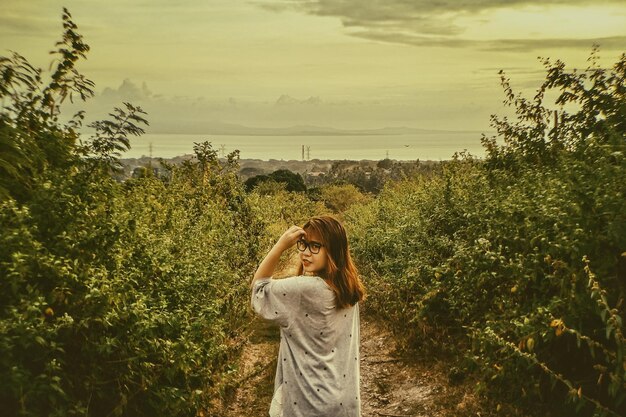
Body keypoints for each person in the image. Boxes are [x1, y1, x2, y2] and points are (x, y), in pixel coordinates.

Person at [251, 215, 366, 417]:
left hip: (309, 402)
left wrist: (280, 245)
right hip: (343, 401)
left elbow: (259, 291)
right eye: (303, 244)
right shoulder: (348, 289)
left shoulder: (306, 289)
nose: (305, 253)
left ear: (332, 250)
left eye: (315, 246)